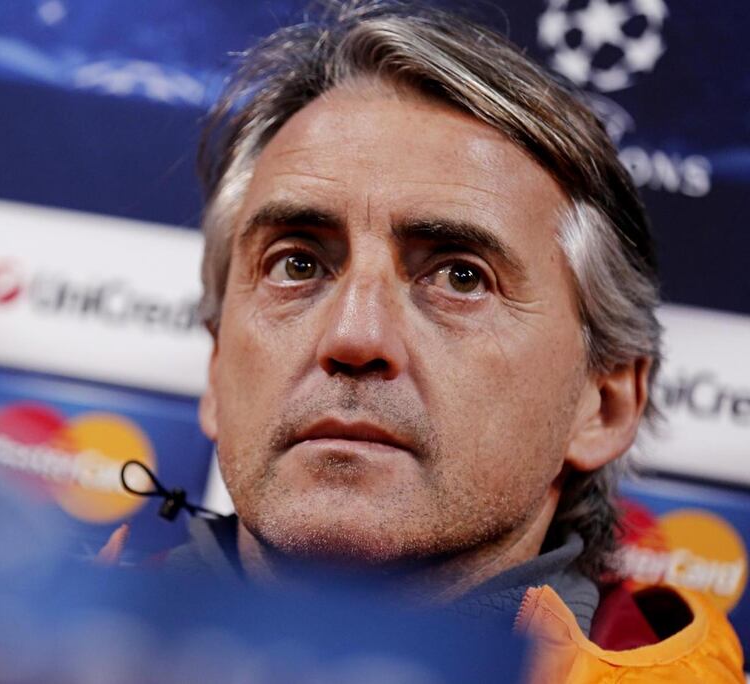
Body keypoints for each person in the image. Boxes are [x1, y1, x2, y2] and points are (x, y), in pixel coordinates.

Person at [111, 1, 743, 681]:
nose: (353, 336)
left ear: (605, 404)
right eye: (297, 265)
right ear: (215, 368)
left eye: (461, 277)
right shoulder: (28, 644)